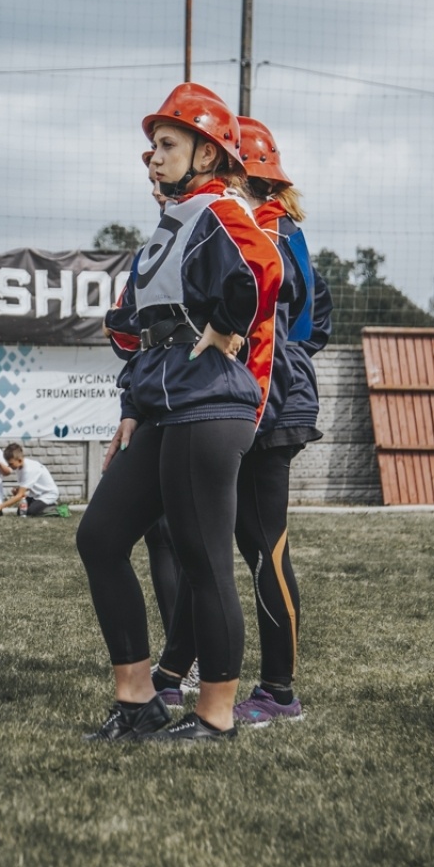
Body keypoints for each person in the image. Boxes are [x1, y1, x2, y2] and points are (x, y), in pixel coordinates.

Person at [76, 82, 282, 742]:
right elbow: (134, 326)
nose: (152, 156)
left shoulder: (220, 205)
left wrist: (226, 324)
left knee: (202, 556)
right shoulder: (176, 218)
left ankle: (215, 714)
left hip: (209, 405)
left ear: (207, 151)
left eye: (166, 144)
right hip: (164, 406)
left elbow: (262, 267)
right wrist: (133, 404)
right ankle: (138, 702)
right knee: (101, 536)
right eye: (151, 146)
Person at [155, 117, 332, 726]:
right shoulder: (286, 230)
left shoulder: (259, 230)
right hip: (267, 391)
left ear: (242, 173)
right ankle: (174, 671)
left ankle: (279, 691)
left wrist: (274, 362)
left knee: (263, 547)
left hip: (268, 399)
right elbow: (319, 324)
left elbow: (280, 319)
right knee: (209, 541)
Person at [0, 443, 60, 516]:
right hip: (35, 494)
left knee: (30, 512)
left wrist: (0, 506)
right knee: (21, 512)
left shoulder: (29, 469)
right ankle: (41, 506)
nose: (9, 466)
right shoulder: (19, 467)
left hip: (47, 494)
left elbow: (20, 495)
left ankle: (54, 508)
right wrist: (18, 490)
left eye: (11, 464)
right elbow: (27, 485)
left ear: (20, 460)